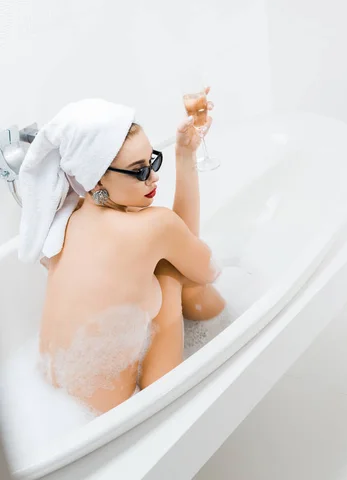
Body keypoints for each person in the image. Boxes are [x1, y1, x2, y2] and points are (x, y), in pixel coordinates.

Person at [37, 90, 225, 414]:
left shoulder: (69, 216)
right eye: (139, 171)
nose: (153, 177)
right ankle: (229, 332)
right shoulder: (153, 227)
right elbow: (204, 268)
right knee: (172, 272)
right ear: (96, 182)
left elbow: (172, 239)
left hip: (51, 395)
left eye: (152, 160)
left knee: (165, 262)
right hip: (112, 418)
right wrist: (185, 158)